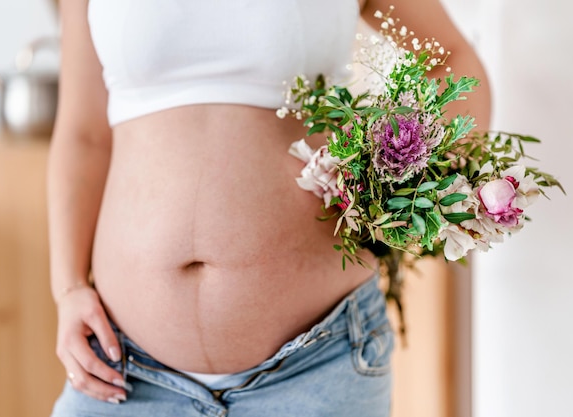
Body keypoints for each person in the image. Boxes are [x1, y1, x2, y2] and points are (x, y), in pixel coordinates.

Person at [48, 0, 490, 416]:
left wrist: (418, 186)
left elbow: (451, 59)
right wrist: (66, 288)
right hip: (123, 369)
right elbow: (83, 135)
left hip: (317, 365)